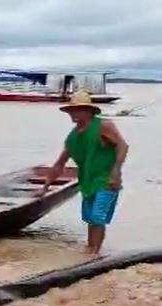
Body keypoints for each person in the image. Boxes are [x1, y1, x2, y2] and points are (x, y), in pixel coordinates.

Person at [40, 90, 128, 255]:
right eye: (72, 110)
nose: (74, 113)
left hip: (106, 180)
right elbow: (59, 164)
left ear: (89, 111)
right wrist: (45, 186)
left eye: (79, 109)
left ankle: (94, 252)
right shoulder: (72, 138)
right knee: (89, 218)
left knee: (97, 217)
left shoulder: (103, 126)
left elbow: (122, 146)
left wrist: (116, 172)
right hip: (87, 181)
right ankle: (90, 250)